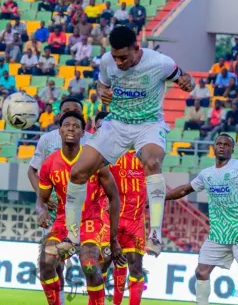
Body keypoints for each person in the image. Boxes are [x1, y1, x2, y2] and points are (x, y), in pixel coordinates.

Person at [62, 26, 194, 257]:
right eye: (115, 57)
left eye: (123, 57)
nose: (119, 62)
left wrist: (188, 83)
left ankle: (155, 236)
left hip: (149, 124)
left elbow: (185, 78)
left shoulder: (160, 63)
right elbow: (102, 84)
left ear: (136, 48)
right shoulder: (107, 61)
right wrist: (102, 91)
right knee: (78, 173)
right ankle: (72, 237)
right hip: (116, 124)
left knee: (152, 163)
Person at [165, 133, 238, 305]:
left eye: (226, 145)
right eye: (219, 144)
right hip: (218, 233)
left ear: (232, 149)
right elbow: (184, 190)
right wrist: (161, 198)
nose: (222, 147)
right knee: (201, 271)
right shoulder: (207, 174)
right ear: (213, 147)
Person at [36, 110, 123, 305]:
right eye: (67, 125)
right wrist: (41, 210)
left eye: (76, 126)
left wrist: (113, 238)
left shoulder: (95, 161)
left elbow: (114, 197)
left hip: (91, 221)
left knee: (90, 266)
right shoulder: (49, 163)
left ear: (83, 133)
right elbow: (41, 199)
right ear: (59, 130)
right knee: (46, 264)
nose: (71, 129)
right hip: (63, 223)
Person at [110, 150, 148, 305]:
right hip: (115, 218)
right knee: (109, 262)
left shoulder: (146, 156)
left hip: (136, 221)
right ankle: (115, 302)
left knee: (136, 267)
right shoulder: (113, 155)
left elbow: (156, 184)